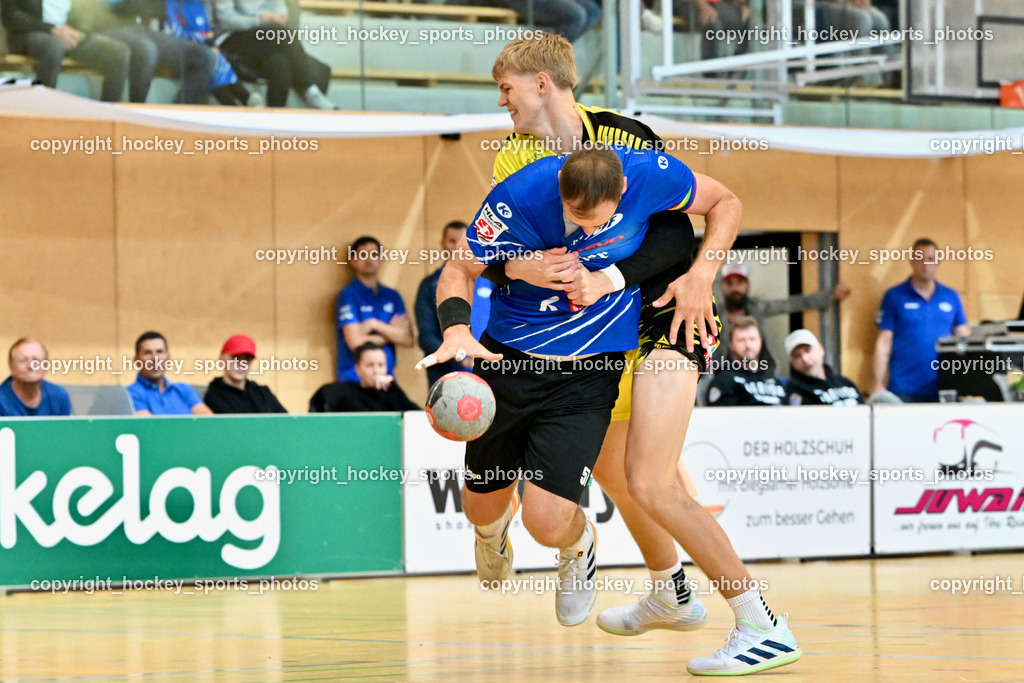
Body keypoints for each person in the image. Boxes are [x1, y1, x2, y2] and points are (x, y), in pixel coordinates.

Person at [479, 34, 800, 676]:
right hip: (596, 333)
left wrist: (701, 276)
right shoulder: (513, 161)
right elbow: (507, 253)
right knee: (616, 472)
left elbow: (681, 227)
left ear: (543, 83)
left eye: (507, 89)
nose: (502, 102)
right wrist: (525, 269)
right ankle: (671, 591)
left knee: (654, 477)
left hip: (666, 315)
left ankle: (762, 624)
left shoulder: (626, 140)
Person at [872, 238, 970, 403]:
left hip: (944, 385)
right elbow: (883, 342)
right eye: (920, 258)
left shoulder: (951, 296)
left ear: (938, 262)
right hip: (904, 387)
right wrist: (877, 383)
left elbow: (964, 338)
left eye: (930, 259)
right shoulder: (894, 296)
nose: (926, 264)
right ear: (911, 261)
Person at [718, 262, 851, 373]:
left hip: (759, 374)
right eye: (730, 283)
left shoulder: (757, 307)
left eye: (739, 283)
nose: (735, 288)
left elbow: (791, 304)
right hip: (720, 373)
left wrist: (829, 296)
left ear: (747, 285)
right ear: (722, 287)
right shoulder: (713, 313)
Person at [1, 0, 131, 102]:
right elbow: (12, 17)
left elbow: (86, 11)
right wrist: (52, 30)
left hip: (68, 33)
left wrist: (80, 33)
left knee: (118, 52)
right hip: (30, 32)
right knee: (52, 48)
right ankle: (43, 114)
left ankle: (108, 117)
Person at [212, 0, 333, 108]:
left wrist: (273, 18)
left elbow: (281, 13)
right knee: (284, 35)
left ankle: (275, 117)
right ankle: (309, 88)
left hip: (268, 36)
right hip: (233, 36)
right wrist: (260, 19)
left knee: (280, 61)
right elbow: (226, 20)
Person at [336, 235, 414, 382]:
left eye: (374, 254)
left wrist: (374, 324)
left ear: (381, 259)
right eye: (363, 254)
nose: (369, 259)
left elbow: (407, 339)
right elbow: (355, 342)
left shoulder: (392, 296)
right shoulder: (348, 295)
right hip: (354, 380)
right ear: (353, 260)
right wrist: (390, 334)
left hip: (386, 379)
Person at [310, 342, 417, 412]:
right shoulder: (344, 394)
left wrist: (393, 389)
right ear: (358, 369)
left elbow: (416, 417)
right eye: (370, 365)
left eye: (380, 365)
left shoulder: (392, 392)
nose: (376, 371)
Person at [127, 331, 213, 415]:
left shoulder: (184, 389)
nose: (155, 358)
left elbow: (208, 421)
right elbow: (149, 427)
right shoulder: (130, 394)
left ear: (168, 358)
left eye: (160, 352)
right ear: (136, 361)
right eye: (147, 353)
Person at [705, 316, 786, 406]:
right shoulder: (724, 381)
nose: (748, 345)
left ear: (761, 341)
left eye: (752, 339)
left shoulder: (774, 381)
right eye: (741, 340)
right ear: (731, 344)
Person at [204, 334, 286, 413]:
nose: (241, 364)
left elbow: (287, 421)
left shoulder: (263, 392)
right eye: (235, 358)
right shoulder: (214, 395)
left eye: (247, 359)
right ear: (221, 359)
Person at [783, 329, 861, 405]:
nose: (805, 359)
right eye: (797, 356)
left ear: (821, 349)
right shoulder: (796, 391)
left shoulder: (845, 383)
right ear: (792, 363)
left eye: (808, 350)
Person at [0, 338, 72, 416]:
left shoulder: (59, 396)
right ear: (11, 365)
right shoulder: (1, 401)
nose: (31, 366)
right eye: (23, 360)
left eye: (36, 360)